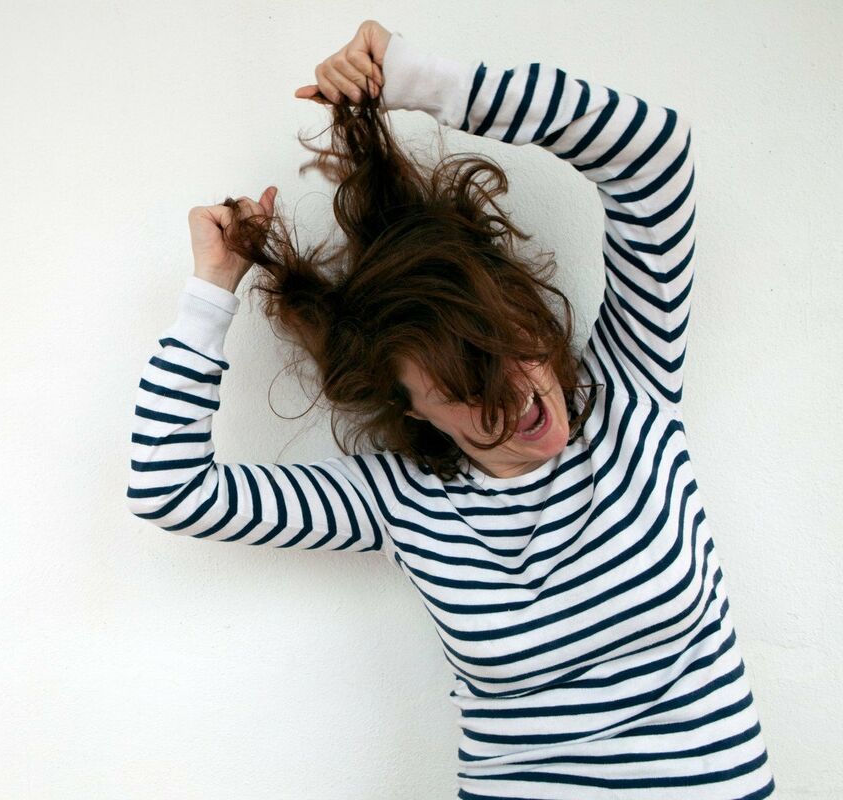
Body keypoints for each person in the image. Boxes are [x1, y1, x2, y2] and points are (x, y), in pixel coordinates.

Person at [126, 19, 776, 799]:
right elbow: (170, 488)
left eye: (510, 343)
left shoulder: (631, 389)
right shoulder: (400, 498)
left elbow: (655, 154)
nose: (516, 395)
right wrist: (210, 291)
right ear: (412, 410)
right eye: (463, 387)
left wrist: (425, 81)